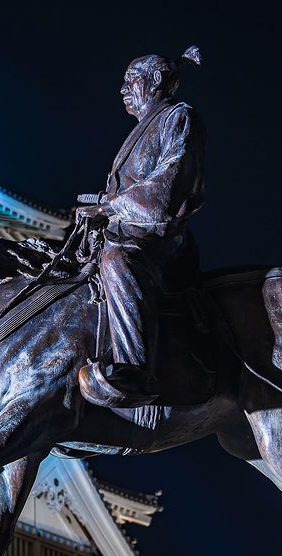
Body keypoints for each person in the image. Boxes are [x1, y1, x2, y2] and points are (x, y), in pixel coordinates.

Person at [77, 46, 206, 408]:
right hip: (126, 228)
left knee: (116, 261)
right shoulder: (140, 131)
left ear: (156, 81)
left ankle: (134, 368)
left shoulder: (179, 118)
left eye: (130, 80)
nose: (123, 89)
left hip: (157, 240)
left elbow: (168, 185)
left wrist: (111, 206)